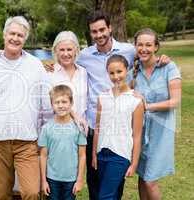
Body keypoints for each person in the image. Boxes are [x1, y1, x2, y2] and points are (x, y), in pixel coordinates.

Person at [44, 11, 169, 200]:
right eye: (94, 31)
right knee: (95, 182)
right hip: (93, 128)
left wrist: (161, 59)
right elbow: (65, 57)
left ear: (110, 28)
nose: (99, 34)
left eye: (102, 29)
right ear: (90, 33)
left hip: (120, 130)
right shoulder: (84, 55)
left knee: (113, 186)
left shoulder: (127, 50)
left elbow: (146, 52)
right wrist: (49, 65)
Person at [0, 16, 47, 200]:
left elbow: (45, 103)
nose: (15, 38)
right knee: (2, 194)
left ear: (25, 39)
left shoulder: (36, 65)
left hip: (27, 141)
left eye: (20, 35)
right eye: (12, 33)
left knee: (31, 192)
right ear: (4, 35)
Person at [128, 28, 182, 200]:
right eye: (140, 45)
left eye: (148, 45)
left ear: (156, 47)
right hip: (140, 132)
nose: (144, 49)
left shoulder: (169, 68)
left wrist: (147, 106)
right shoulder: (133, 72)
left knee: (150, 180)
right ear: (135, 46)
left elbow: (175, 101)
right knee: (143, 176)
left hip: (161, 132)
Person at [92, 55, 144, 199]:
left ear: (127, 70)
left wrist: (134, 163)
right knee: (114, 194)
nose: (116, 76)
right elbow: (97, 128)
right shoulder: (102, 98)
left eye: (119, 72)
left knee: (105, 196)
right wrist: (94, 154)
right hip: (102, 153)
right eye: (112, 73)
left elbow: (137, 135)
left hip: (120, 155)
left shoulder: (136, 101)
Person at [38, 85, 87, 200]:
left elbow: (82, 155)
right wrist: (44, 181)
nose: (60, 105)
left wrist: (79, 180)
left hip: (71, 179)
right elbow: (43, 155)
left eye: (64, 102)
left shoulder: (78, 128)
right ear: (52, 105)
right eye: (57, 102)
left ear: (71, 103)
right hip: (52, 179)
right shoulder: (46, 128)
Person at [41, 31, 87, 124]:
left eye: (69, 49)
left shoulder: (83, 72)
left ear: (76, 51)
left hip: (81, 131)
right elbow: (46, 109)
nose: (66, 54)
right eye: (62, 50)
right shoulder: (49, 74)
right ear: (55, 51)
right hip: (58, 130)